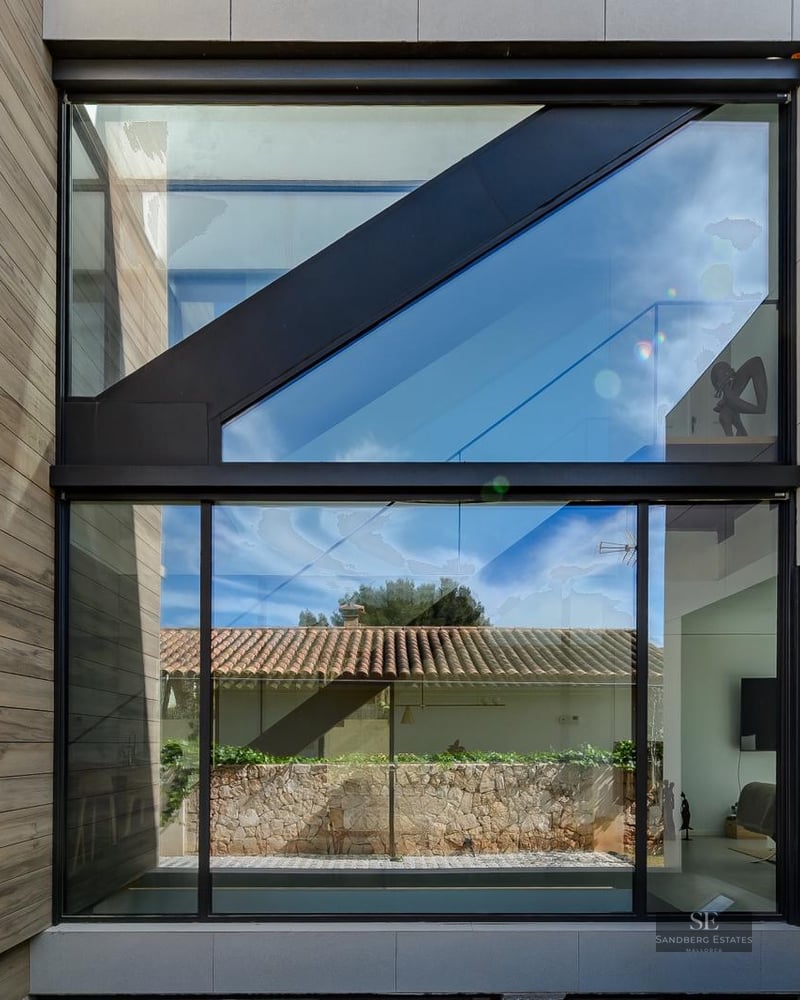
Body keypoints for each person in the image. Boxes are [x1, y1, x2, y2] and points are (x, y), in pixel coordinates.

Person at [710, 356, 767, 437]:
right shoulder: (729, 394)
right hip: (729, 402)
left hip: (729, 404)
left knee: (755, 363)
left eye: (728, 371)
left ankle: (728, 405)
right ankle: (728, 405)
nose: (729, 375)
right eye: (724, 375)